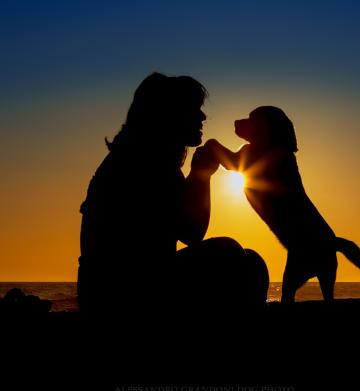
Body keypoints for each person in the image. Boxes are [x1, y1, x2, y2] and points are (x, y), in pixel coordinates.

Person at [77, 72, 268, 314]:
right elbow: (192, 232)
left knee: (251, 262)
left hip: (106, 291)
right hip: (121, 294)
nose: (202, 116)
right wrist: (201, 174)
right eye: (193, 109)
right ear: (168, 114)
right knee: (231, 254)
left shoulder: (138, 157)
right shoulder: (145, 163)